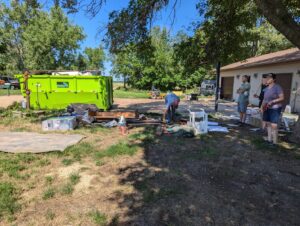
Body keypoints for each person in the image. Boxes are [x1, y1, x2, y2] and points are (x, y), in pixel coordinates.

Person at [261, 73, 284, 145]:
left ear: (274, 79)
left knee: (274, 125)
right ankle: (269, 140)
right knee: (268, 124)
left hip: (275, 108)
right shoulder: (266, 88)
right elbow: (264, 99)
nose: (267, 79)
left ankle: (275, 142)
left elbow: (282, 98)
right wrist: (261, 107)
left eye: (269, 77)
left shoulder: (277, 87)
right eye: (267, 77)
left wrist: (273, 101)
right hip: (267, 108)